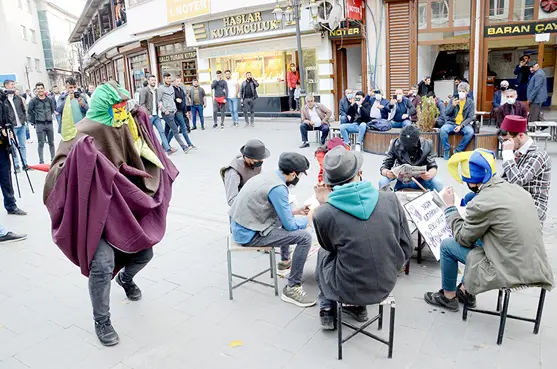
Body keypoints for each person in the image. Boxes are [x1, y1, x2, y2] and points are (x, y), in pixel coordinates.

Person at [44, 81, 177, 346]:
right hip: (95, 213)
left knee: (145, 252)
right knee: (102, 264)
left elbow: (144, 153)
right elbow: (55, 173)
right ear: (104, 106)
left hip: (124, 209)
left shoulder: (125, 124)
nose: (121, 110)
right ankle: (101, 320)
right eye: (117, 106)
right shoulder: (82, 131)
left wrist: (142, 123)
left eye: (123, 106)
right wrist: (81, 160)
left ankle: (126, 278)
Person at [424, 149, 554, 312]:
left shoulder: (482, 202)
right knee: (480, 239)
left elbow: (462, 238)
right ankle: (465, 291)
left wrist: (450, 207)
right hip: (535, 264)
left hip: (509, 269)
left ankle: (448, 296)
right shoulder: (516, 189)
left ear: (473, 182)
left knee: (447, 246)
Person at [312, 146, 412, 328]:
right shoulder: (390, 199)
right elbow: (407, 246)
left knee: (322, 253)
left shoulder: (323, 213)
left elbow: (329, 247)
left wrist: (325, 203)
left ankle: (327, 305)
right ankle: (358, 306)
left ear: (328, 183)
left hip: (346, 286)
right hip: (386, 281)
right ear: (360, 173)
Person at [228, 152, 315, 307]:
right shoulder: (279, 188)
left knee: (289, 213)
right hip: (248, 235)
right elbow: (290, 226)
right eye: (300, 175)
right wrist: (309, 219)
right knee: (304, 237)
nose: (298, 179)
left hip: (240, 225)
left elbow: (275, 211)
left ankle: (284, 262)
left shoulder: (267, 176)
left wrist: (295, 212)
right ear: (293, 174)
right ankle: (292, 287)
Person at [499, 115, 551, 225]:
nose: (505, 144)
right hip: (515, 201)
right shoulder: (517, 151)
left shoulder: (537, 155)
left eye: (508, 140)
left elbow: (518, 180)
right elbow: (504, 180)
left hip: (532, 208)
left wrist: (507, 155)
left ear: (521, 135)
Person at [379, 125, 443, 191]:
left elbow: (433, 166)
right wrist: (387, 173)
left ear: (418, 139)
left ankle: (435, 201)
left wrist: (430, 174)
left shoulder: (427, 145)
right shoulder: (394, 144)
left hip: (420, 180)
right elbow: (384, 166)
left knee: (438, 183)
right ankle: (387, 200)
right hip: (400, 180)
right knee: (383, 182)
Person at [220, 139, 270, 206]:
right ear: (248, 157)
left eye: (262, 158)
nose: (261, 161)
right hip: (241, 211)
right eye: (258, 159)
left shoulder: (255, 163)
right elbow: (232, 201)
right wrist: (254, 201)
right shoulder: (233, 173)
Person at [0, 93, 27, 216]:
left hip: (2, 145)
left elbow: (7, 117)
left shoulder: (2, 99)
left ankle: (11, 205)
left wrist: (9, 129)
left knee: (6, 176)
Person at [139, 75, 175, 154]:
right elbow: (141, 104)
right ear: (148, 81)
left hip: (156, 116)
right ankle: (150, 150)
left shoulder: (156, 91)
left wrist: (160, 103)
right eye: (152, 80)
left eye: (155, 80)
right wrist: (148, 114)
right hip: (149, 116)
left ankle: (167, 149)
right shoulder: (144, 90)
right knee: (149, 133)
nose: (154, 82)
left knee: (161, 131)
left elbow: (158, 100)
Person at [440, 82, 475, 160]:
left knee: (470, 132)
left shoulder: (471, 102)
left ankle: (458, 150)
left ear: (467, 92)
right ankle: (446, 150)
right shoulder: (453, 100)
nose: (461, 93)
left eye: (463, 91)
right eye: (460, 91)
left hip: (463, 124)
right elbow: (446, 113)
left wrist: (461, 126)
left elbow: (470, 117)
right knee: (443, 130)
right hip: (452, 123)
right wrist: (452, 105)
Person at [158, 72, 189, 153]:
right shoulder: (160, 89)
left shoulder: (171, 88)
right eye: (167, 78)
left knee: (167, 130)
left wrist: (175, 109)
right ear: (164, 78)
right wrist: (165, 110)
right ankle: (184, 147)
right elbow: (159, 101)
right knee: (175, 130)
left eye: (169, 78)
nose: (168, 80)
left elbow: (173, 99)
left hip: (173, 111)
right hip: (167, 113)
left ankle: (163, 147)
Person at [28, 82, 56, 164]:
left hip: (49, 123)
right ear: (36, 90)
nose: (40, 90)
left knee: (51, 142)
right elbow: (30, 111)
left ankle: (53, 159)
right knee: (41, 143)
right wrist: (35, 120)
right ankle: (41, 161)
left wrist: (48, 116)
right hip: (39, 124)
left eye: (41, 88)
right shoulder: (33, 101)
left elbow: (52, 109)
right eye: (38, 89)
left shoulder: (49, 99)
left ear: (44, 89)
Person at [2, 80, 27, 171]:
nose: (13, 86)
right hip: (11, 127)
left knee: (22, 145)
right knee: (13, 146)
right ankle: (16, 165)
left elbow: (23, 110)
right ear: (6, 86)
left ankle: (25, 164)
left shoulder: (18, 98)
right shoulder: (4, 100)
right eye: (12, 84)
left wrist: (24, 119)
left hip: (21, 125)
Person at [167, 78, 196, 153]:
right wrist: (175, 100)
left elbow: (183, 102)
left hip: (181, 110)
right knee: (183, 127)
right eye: (177, 81)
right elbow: (169, 99)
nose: (179, 83)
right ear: (173, 82)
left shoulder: (181, 90)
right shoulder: (172, 90)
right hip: (176, 111)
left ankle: (166, 144)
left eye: (180, 81)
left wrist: (186, 111)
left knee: (174, 129)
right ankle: (189, 144)